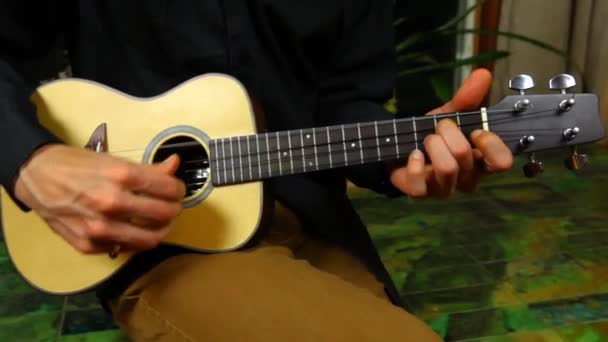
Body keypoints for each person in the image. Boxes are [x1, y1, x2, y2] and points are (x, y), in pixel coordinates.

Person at [0, 1, 513, 341]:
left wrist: (402, 153)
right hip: (157, 239)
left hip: (312, 217)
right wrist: (30, 160)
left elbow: (347, 100)